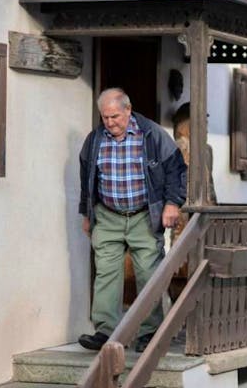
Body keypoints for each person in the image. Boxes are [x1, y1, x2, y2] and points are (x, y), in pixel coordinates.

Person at [77, 88, 187, 353]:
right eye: (105, 117)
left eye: (114, 116)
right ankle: (106, 331)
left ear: (128, 110)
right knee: (105, 272)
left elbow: (176, 169)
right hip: (108, 214)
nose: (110, 122)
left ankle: (149, 333)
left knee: (148, 274)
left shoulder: (152, 134)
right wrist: (87, 213)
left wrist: (172, 203)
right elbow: (87, 179)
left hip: (143, 215)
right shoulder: (94, 140)